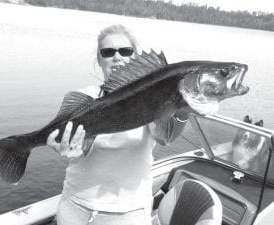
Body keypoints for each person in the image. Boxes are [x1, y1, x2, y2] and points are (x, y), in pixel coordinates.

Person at [46, 24, 191, 225]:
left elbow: (163, 137)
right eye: (108, 52)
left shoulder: (154, 96)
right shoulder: (86, 98)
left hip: (127, 211)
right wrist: (67, 148)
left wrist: (183, 110)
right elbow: (79, 149)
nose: (117, 57)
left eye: (125, 51)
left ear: (135, 55)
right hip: (76, 204)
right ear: (99, 59)